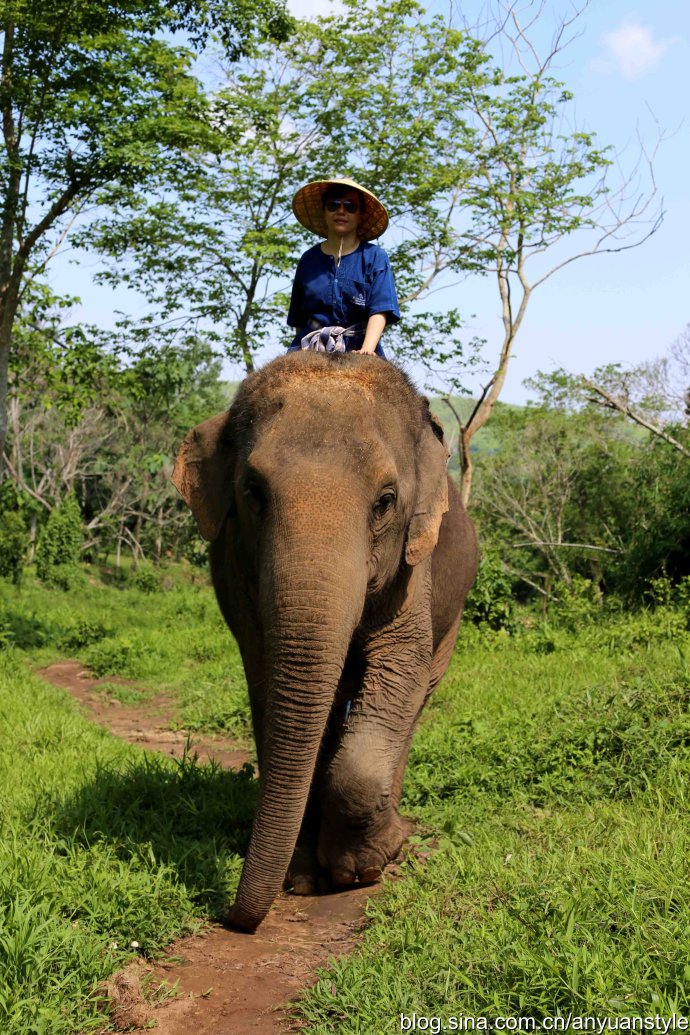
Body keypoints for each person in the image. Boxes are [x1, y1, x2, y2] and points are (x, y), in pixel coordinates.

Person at [287, 177, 400, 358]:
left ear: (360, 215)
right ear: (324, 212)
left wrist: (367, 349)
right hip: (311, 346)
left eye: (350, 206)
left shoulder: (375, 257)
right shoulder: (308, 259)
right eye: (333, 205)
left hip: (360, 345)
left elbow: (381, 309)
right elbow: (299, 319)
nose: (341, 211)